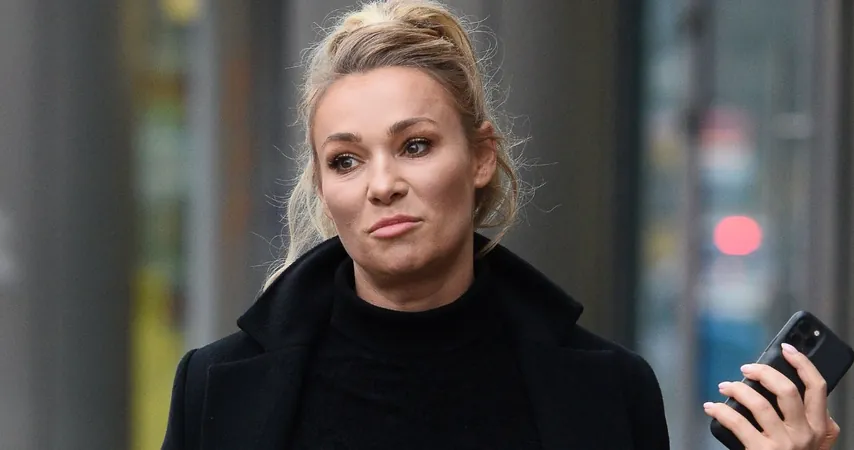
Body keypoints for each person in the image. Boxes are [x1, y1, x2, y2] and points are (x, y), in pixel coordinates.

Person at [161, 1, 841, 449]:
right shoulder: (218, 386)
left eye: (415, 145)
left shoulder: (607, 390)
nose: (382, 184)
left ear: (481, 156)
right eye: (345, 160)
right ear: (321, 185)